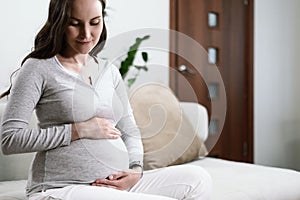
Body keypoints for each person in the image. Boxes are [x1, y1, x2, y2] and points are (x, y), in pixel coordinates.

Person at [0, 0, 212, 199]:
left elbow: (129, 128)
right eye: (75, 24)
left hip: (115, 185)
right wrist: (78, 130)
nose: (86, 34)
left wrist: (136, 170)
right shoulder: (39, 68)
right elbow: (10, 140)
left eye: (95, 22)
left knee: (198, 178)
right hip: (61, 188)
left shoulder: (108, 71)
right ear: (59, 22)